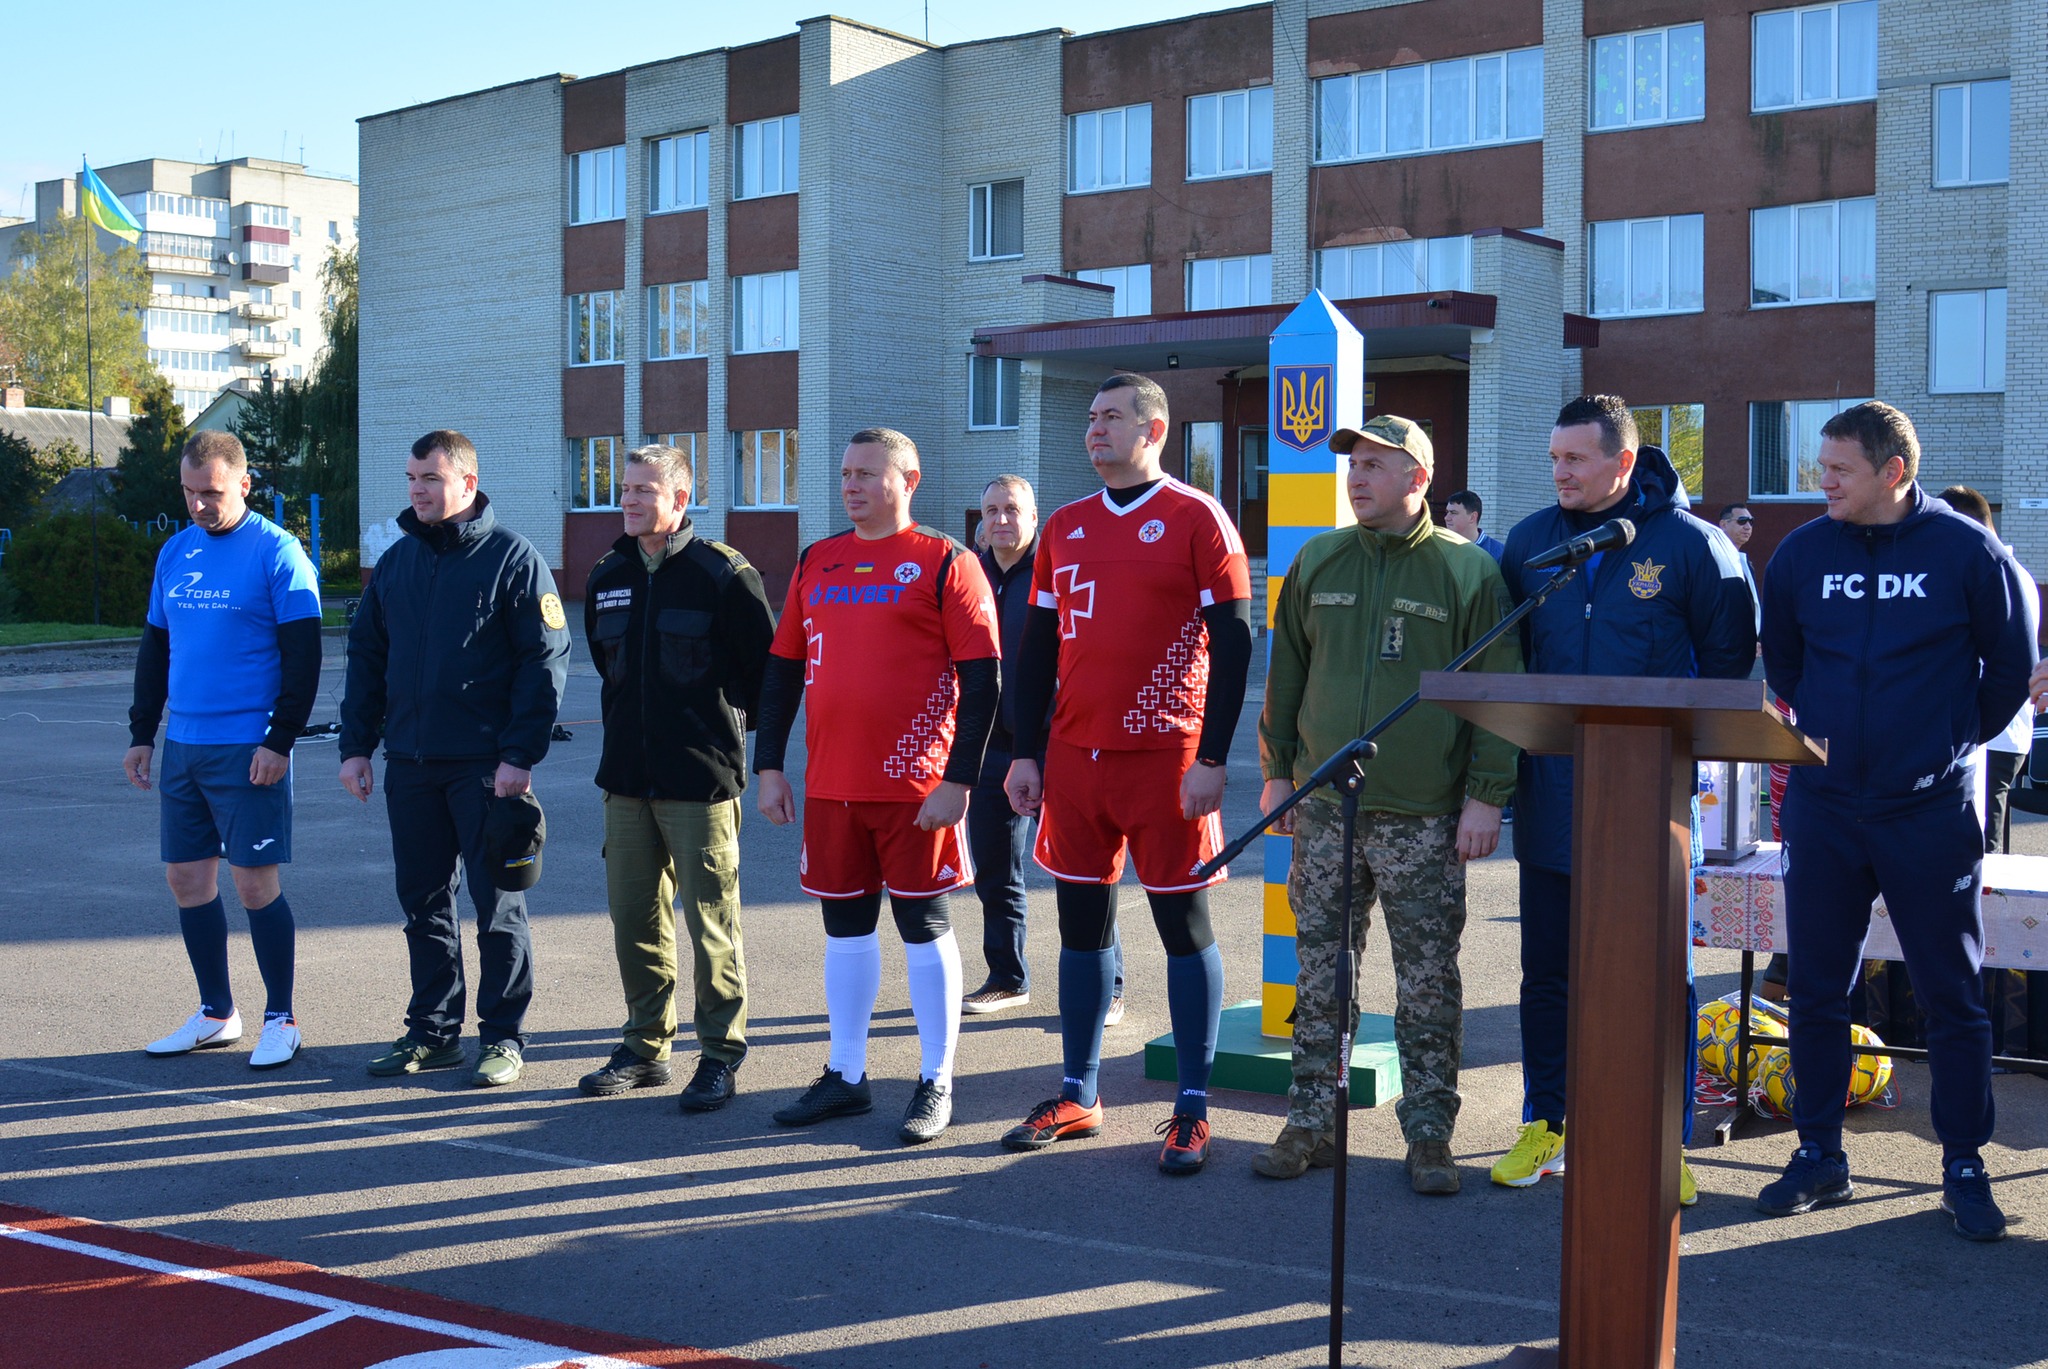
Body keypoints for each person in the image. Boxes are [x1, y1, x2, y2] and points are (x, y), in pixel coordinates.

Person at [1758, 404, 2037, 1240]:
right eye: (1820, 464)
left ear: (1894, 472)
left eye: (1838, 468)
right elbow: (1788, 662)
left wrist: (1941, 746)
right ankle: (1819, 1154)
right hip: (1827, 805)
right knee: (1815, 987)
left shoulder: (1966, 550)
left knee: (1952, 993)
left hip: (1930, 808)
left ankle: (1963, 1163)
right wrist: (1837, 747)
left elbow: (2009, 671)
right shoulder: (1804, 552)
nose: (1821, 480)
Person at [1495, 395, 1756, 1203]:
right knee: (1549, 975)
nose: (1561, 473)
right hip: (1554, 796)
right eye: (1553, 459)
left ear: (1624, 461)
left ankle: (1660, 1137)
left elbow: (1728, 672)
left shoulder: (1694, 547)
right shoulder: (1535, 541)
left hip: (1650, 803)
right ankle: (1550, 1119)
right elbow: (1512, 663)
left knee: (1653, 978)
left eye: (1575, 458)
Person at [1253, 416, 1521, 1192]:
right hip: (1327, 806)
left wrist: (1486, 799)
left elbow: (1497, 696)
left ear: (1418, 477)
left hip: (1425, 811)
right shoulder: (1318, 558)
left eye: (1375, 464)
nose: (1357, 477)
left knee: (1427, 978)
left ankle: (1430, 1132)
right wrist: (1279, 774)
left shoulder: (1466, 572)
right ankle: (1311, 1120)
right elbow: (1288, 676)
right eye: (1353, 464)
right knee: (1322, 975)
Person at [1001, 371, 1254, 1176]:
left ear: (1155, 429)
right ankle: (1079, 1089)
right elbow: (1036, 648)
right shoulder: (1065, 527)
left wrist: (1213, 756)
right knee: (1082, 924)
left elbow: (1236, 644)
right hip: (1077, 760)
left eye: (1111, 417)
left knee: (1182, 925)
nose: (1094, 429)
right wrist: (1023, 749)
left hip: (1170, 759)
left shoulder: (1197, 516)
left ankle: (1191, 1106)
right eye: (1090, 416)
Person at [753, 427, 1000, 1145]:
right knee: (845, 928)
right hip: (833, 786)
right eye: (844, 473)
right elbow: (780, 672)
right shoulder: (816, 560)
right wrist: (770, 764)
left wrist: (960, 779)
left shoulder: (946, 561)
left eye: (867, 472)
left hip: (917, 790)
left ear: (909, 478)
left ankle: (936, 1076)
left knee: (923, 924)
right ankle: (846, 1073)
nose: (851, 484)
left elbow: (983, 680)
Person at [339, 430, 571, 1088]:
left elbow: (544, 660)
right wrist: (356, 745)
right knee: (423, 904)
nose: (417, 488)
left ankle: (502, 1037)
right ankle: (434, 1032)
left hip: (485, 770)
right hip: (410, 764)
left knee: (498, 906)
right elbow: (367, 659)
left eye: (431, 478)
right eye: (412, 476)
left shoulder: (513, 559)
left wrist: (519, 753)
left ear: (467, 483)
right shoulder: (397, 562)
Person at [578, 446, 775, 1108]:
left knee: (711, 922)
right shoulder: (608, 573)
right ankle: (645, 1045)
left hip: (700, 782)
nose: (628, 500)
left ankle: (720, 1053)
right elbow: (611, 673)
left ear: (680, 499)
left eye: (643, 490)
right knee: (634, 917)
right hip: (628, 781)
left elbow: (765, 678)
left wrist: (742, 751)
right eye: (624, 488)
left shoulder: (722, 574)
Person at [125, 432, 322, 1069]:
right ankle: (217, 1012)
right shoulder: (175, 553)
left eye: (210, 492)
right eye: (188, 491)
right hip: (184, 743)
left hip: (249, 747)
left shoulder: (278, 553)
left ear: (244, 483)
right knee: (186, 880)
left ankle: (280, 1017)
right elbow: (156, 650)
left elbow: (305, 658)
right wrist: (141, 733)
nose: (198, 505)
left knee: (255, 884)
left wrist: (280, 740)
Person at [962, 475, 1127, 1019]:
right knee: (995, 872)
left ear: (1036, 518)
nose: (1001, 519)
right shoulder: (970, 576)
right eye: (991, 511)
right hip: (989, 748)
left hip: (1058, 746)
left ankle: (1110, 986)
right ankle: (1008, 977)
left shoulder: (1056, 573)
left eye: (1013, 509)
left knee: (1080, 872)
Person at [1933, 485, 2039, 852]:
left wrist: (1973, 725)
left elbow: (2009, 666)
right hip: (1992, 730)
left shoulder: (2002, 575)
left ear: (1967, 523)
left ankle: (1989, 910)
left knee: (1982, 844)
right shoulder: (2001, 571)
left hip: (1993, 733)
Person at [1718, 503, 1763, 636]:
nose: (1748, 527)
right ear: (1724, 524)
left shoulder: (1745, 563)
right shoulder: (1713, 561)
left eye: (1751, 522)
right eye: (1742, 521)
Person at [1443, 490, 1504, 561]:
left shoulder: (1499, 553)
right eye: (1447, 512)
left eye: (1453, 513)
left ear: (1472, 517)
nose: (1446, 518)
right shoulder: (1442, 549)